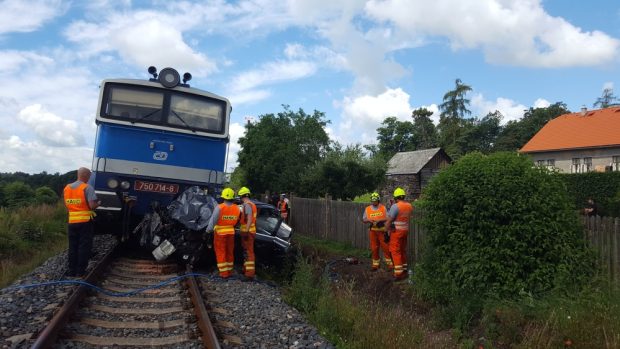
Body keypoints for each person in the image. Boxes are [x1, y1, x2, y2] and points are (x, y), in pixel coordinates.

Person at [63, 167, 99, 277]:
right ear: (87, 176)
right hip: (84, 222)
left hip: (72, 221)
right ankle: (80, 271)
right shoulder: (87, 188)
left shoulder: (67, 188)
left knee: (73, 246)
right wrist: (99, 203)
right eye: (89, 176)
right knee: (84, 246)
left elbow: (66, 205)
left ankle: (71, 270)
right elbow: (92, 206)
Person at [206, 188, 241, 279]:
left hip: (220, 234)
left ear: (223, 197)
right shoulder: (237, 208)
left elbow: (212, 221)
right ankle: (229, 271)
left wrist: (208, 231)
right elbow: (237, 221)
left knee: (221, 252)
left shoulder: (220, 207)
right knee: (229, 252)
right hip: (231, 233)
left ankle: (224, 273)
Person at [384, 187, 413, 281]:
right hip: (405, 231)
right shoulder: (409, 205)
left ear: (395, 197)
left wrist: (386, 232)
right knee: (402, 250)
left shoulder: (395, 206)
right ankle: (404, 269)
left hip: (396, 232)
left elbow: (389, 221)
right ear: (403, 196)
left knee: (395, 251)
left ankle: (398, 274)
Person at [362, 192, 393, 271]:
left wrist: (380, 220)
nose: (374, 202)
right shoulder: (367, 209)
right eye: (373, 201)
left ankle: (390, 265)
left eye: (375, 201)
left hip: (382, 231)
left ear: (378, 200)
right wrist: (369, 220)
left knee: (386, 248)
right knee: (374, 248)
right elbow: (364, 219)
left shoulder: (383, 208)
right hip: (373, 232)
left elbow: (388, 218)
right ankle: (375, 265)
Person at [238, 186, 257, 279]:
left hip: (248, 233)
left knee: (249, 252)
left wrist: (245, 231)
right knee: (247, 252)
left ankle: (249, 274)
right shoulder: (252, 204)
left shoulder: (247, 205)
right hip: (250, 232)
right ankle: (246, 270)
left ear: (242, 196)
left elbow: (249, 219)